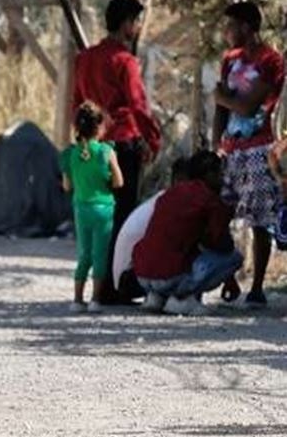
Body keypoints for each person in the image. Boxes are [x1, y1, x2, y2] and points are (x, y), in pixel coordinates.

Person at [73, 0, 161, 304]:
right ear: (126, 23)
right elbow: (138, 105)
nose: (137, 28)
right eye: (136, 22)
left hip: (93, 144)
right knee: (121, 216)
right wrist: (153, 139)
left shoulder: (85, 58)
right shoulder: (125, 61)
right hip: (122, 145)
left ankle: (98, 286)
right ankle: (113, 285)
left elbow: (77, 103)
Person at [213, 0, 285, 308]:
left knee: (259, 219)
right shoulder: (231, 60)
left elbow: (248, 106)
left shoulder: (271, 60)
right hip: (231, 148)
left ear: (246, 27)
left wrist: (222, 98)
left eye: (230, 26)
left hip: (259, 147)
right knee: (221, 214)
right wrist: (216, 144)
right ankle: (227, 277)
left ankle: (256, 288)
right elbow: (222, 107)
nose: (226, 33)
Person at [133, 152, 243, 316]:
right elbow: (222, 244)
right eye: (219, 174)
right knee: (235, 257)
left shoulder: (168, 194)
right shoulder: (208, 198)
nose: (222, 179)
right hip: (170, 276)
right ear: (209, 174)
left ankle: (157, 297)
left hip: (143, 274)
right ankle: (182, 299)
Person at [60, 102, 125, 313]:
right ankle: (95, 300)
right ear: (99, 127)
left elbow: (67, 186)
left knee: (84, 254)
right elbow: (119, 182)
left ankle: (77, 300)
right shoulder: (106, 151)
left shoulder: (70, 154)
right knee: (100, 255)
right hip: (104, 209)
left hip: (81, 209)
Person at [112, 157, 191, 302]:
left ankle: (156, 296)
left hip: (129, 277)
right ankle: (179, 298)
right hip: (133, 279)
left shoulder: (161, 198)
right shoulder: (170, 202)